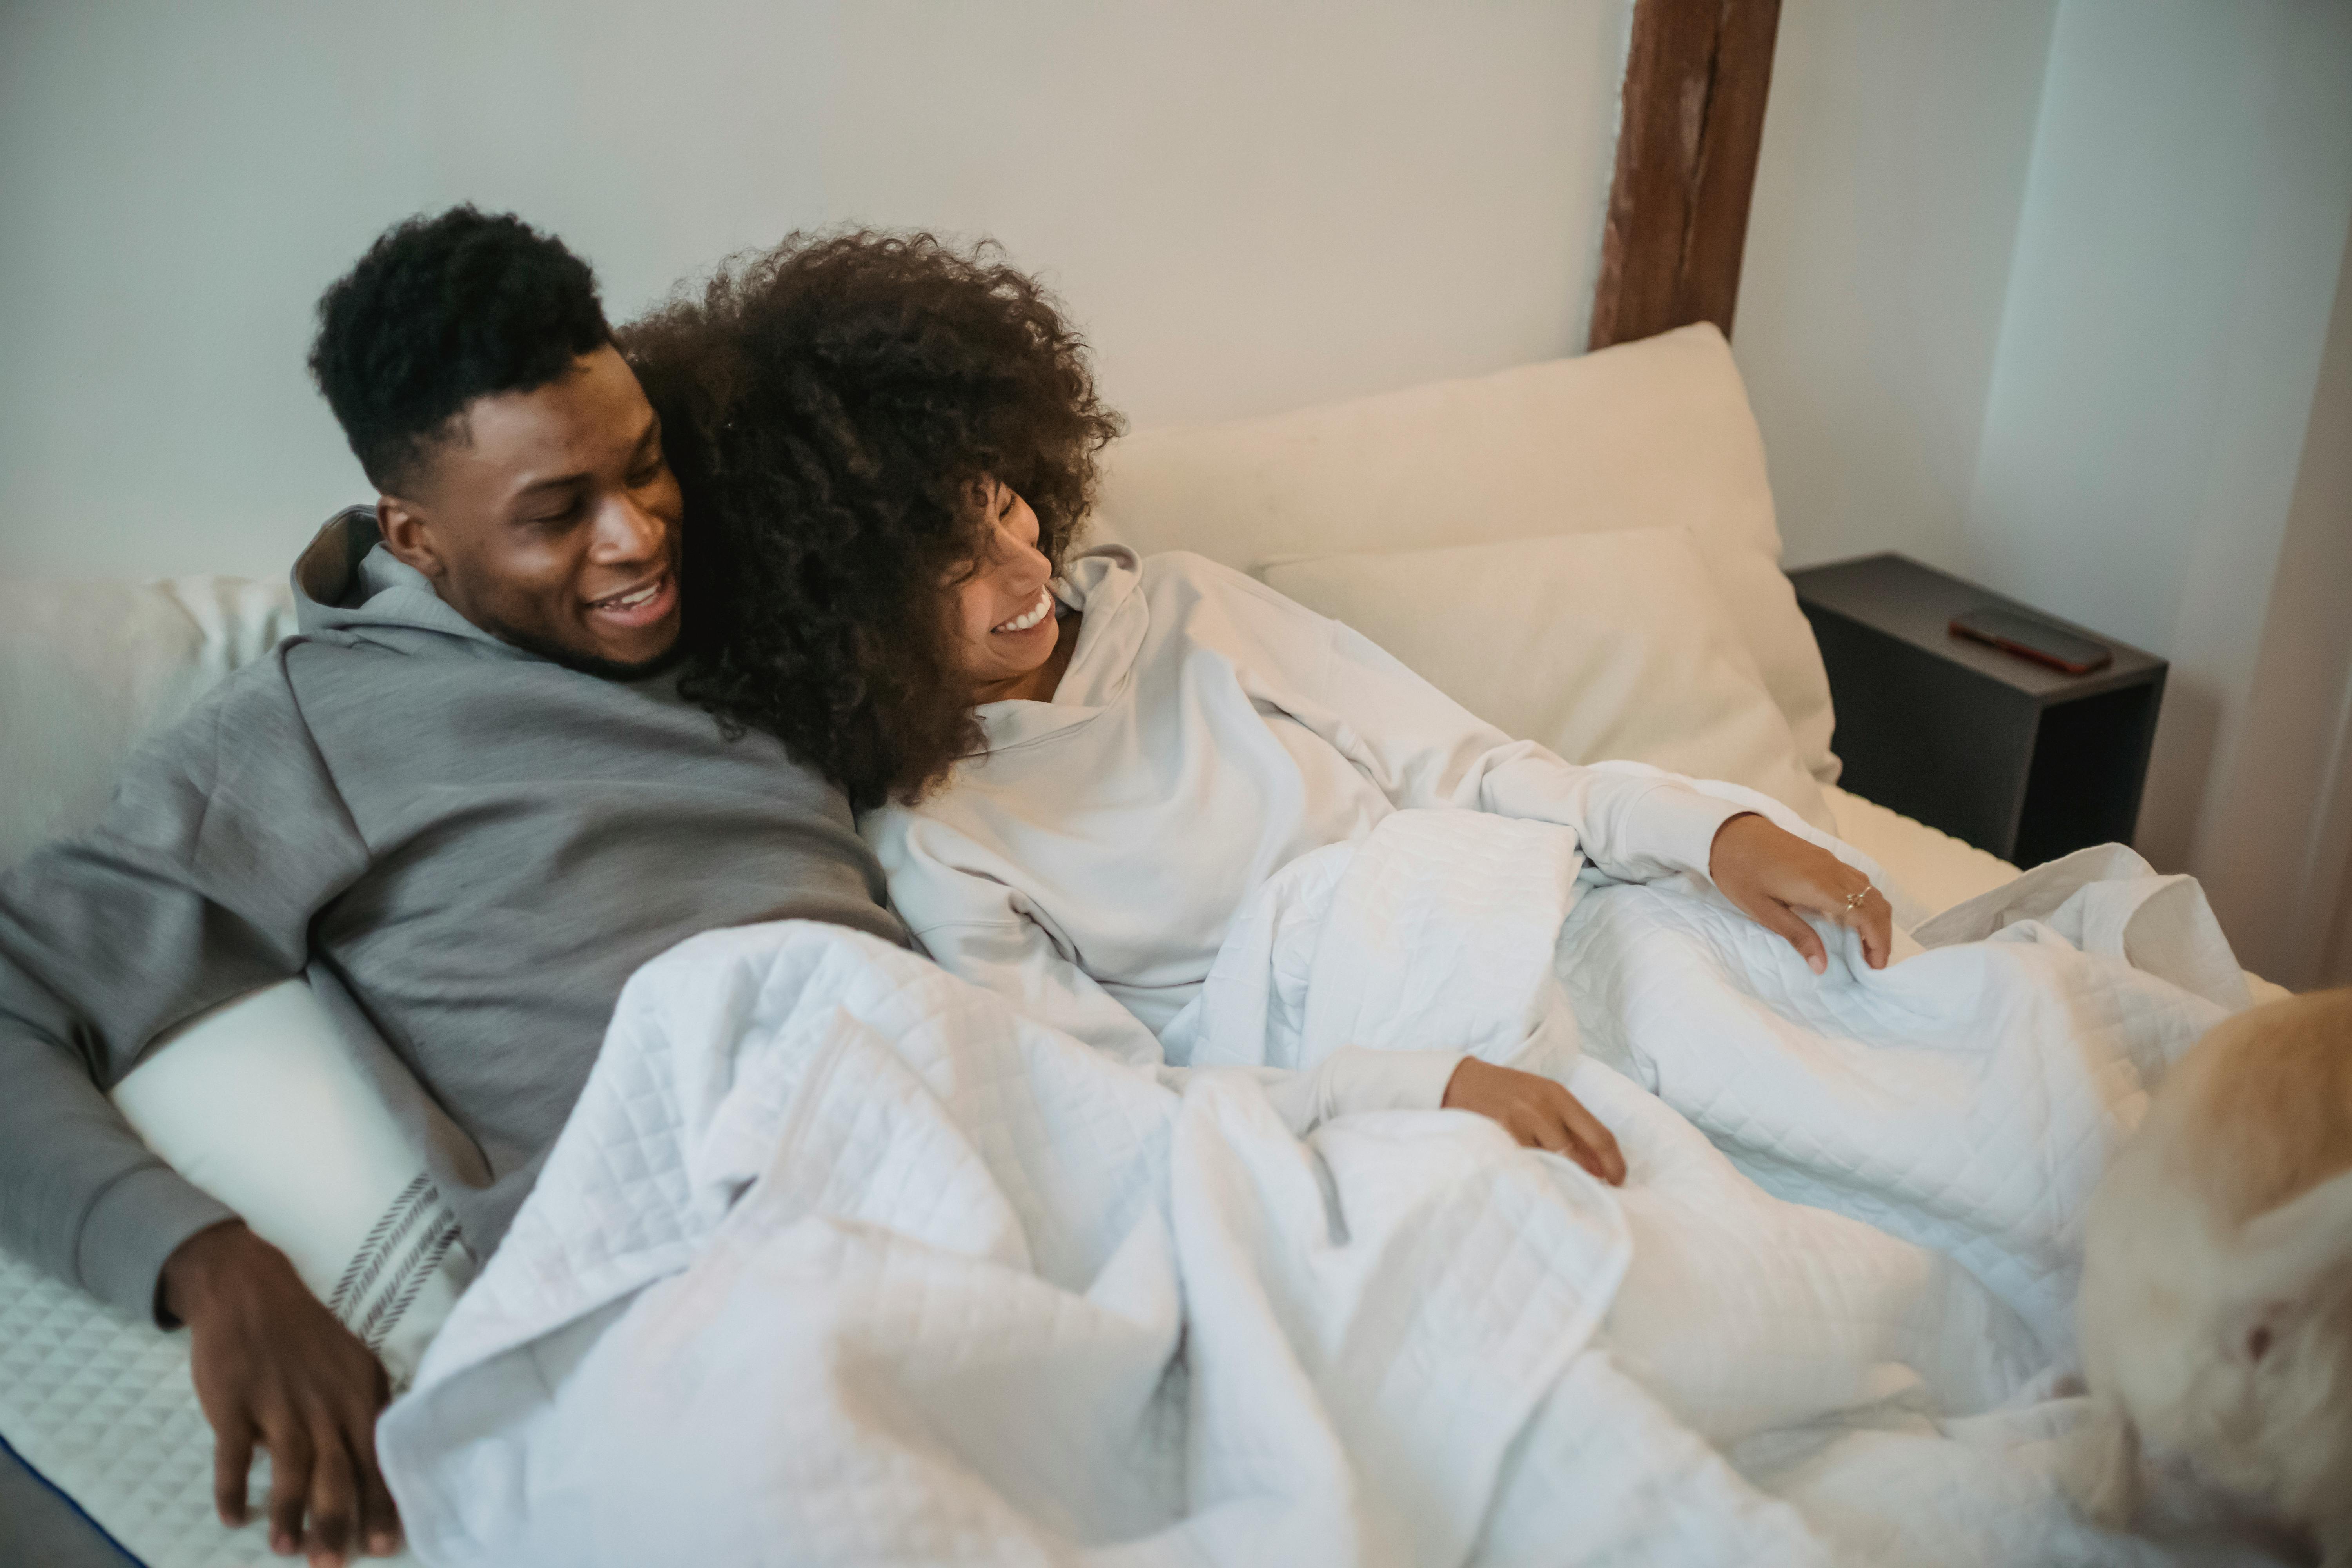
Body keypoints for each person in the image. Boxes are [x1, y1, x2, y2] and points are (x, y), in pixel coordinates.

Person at [0, 209, 908, 1568]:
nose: (635, 539)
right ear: (417, 541)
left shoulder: (759, 582)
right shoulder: (302, 738)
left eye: (645, 466)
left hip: (948, 1097)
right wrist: (216, 1271)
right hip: (721, 1249)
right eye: (555, 517)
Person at [626, 230, 1894, 1185]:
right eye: (947, 563)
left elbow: (1469, 769)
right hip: (1365, 1094)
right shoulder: (944, 842)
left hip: (1533, 927)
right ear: (836, 611)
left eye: (1001, 501)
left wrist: (1707, 834)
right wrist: (1424, 1089)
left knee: (1888, 1033)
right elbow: (1127, 1109)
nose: (1022, 572)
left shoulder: (1182, 610)